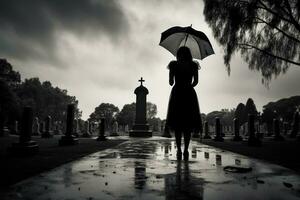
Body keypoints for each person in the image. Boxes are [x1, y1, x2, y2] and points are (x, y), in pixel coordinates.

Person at [166, 46, 202, 161]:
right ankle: (185, 149)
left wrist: (173, 77)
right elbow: (195, 82)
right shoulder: (193, 65)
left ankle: (180, 150)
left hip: (177, 94)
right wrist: (188, 86)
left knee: (178, 124)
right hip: (189, 94)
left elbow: (171, 82)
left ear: (178, 54)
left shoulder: (174, 65)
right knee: (187, 124)